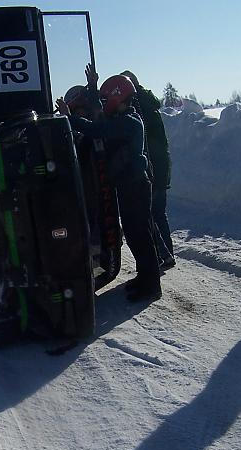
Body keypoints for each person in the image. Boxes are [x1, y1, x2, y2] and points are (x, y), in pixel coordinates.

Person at [57, 70, 162, 302]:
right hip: (128, 185)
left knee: (140, 235)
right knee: (136, 235)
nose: (105, 104)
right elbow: (101, 118)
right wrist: (93, 87)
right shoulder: (122, 119)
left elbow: (96, 128)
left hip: (135, 186)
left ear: (117, 97)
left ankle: (151, 284)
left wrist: (69, 117)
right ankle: (144, 276)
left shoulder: (129, 122)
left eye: (107, 99)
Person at [121, 70, 175, 271]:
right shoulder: (149, 104)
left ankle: (161, 255)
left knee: (149, 215)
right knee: (159, 214)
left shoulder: (137, 108)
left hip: (151, 167)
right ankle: (167, 254)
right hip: (161, 166)